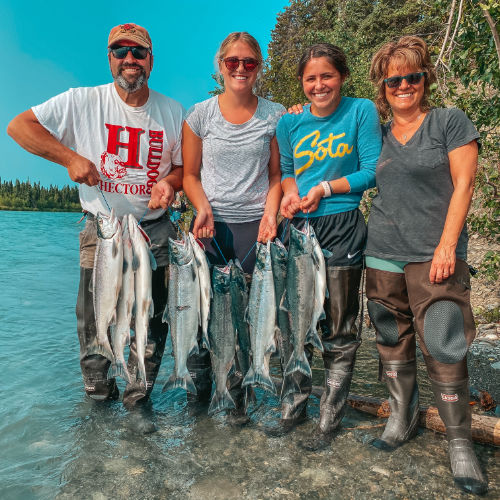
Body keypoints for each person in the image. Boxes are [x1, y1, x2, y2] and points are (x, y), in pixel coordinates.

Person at [7, 23, 184, 412]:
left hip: (153, 229)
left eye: (138, 52)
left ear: (151, 60)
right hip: (102, 230)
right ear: (109, 60)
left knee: (151, 319)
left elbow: (184, 169)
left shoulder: (172, 111)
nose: (129, 60)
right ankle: (98, 402)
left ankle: (139, 400)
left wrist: (171, 182)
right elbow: (19, 126)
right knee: (93, 319)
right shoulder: (82, 101)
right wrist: (70, 158)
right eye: (120, 52)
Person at [365, 36, 487, 495]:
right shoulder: (374, 131)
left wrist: (447, 246)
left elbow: (464, 184)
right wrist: (298, 113)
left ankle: (460, 442)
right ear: (382, 86)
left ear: (425, 78)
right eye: (393, 79)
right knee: (390, 335)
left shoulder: (448, 122)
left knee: (444, 339)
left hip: (435, 253)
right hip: (382, 250)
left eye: (411, 76)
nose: (403, 85)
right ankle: (402, 416)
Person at [274, 43, 382, 449]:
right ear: (302, 83)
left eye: (327, 76)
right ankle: (293, 406)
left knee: (339, 326)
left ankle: (329, 419)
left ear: (342, 77)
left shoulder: (361, 111)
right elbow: (287, 171)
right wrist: (289, 195)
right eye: (310, 78)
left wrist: (323, 187)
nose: (319, 85)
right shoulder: (289, 123)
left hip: (342, 225)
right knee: (295, 324)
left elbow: (371, 172)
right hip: (299, 228)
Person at [180, 32, 284, 422]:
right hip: (211, 228)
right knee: (201, 313)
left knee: (246, 317)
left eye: (249, 62)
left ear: (259, 67)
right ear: (220, 65)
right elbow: (190, 175)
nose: (240, 69)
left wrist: (271, 216)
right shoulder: (199, 115)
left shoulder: (275, 116)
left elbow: (276, 176)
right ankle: (199, 398)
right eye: (232, 62)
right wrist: (202, 208)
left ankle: (237, 398)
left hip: (255, 228)